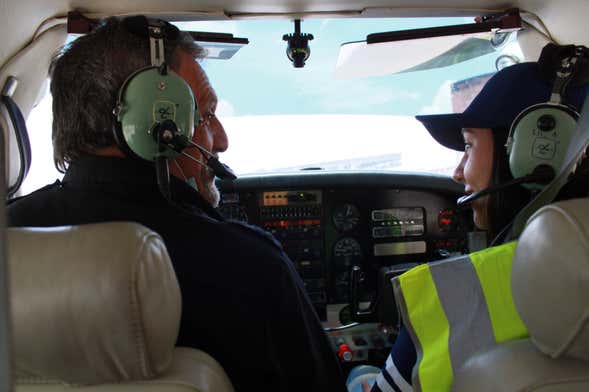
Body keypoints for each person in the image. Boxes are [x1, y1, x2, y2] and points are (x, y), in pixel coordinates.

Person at [7, 16, 346, 392]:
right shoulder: (248, 267)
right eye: (206, 115)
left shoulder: (10, 237)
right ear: (155, 122)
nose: (221, 140)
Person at [358, 53, 589, 392]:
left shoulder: (455, 299)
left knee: (360, 376)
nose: (457, 172)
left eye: (468, 146)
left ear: (540, 154)